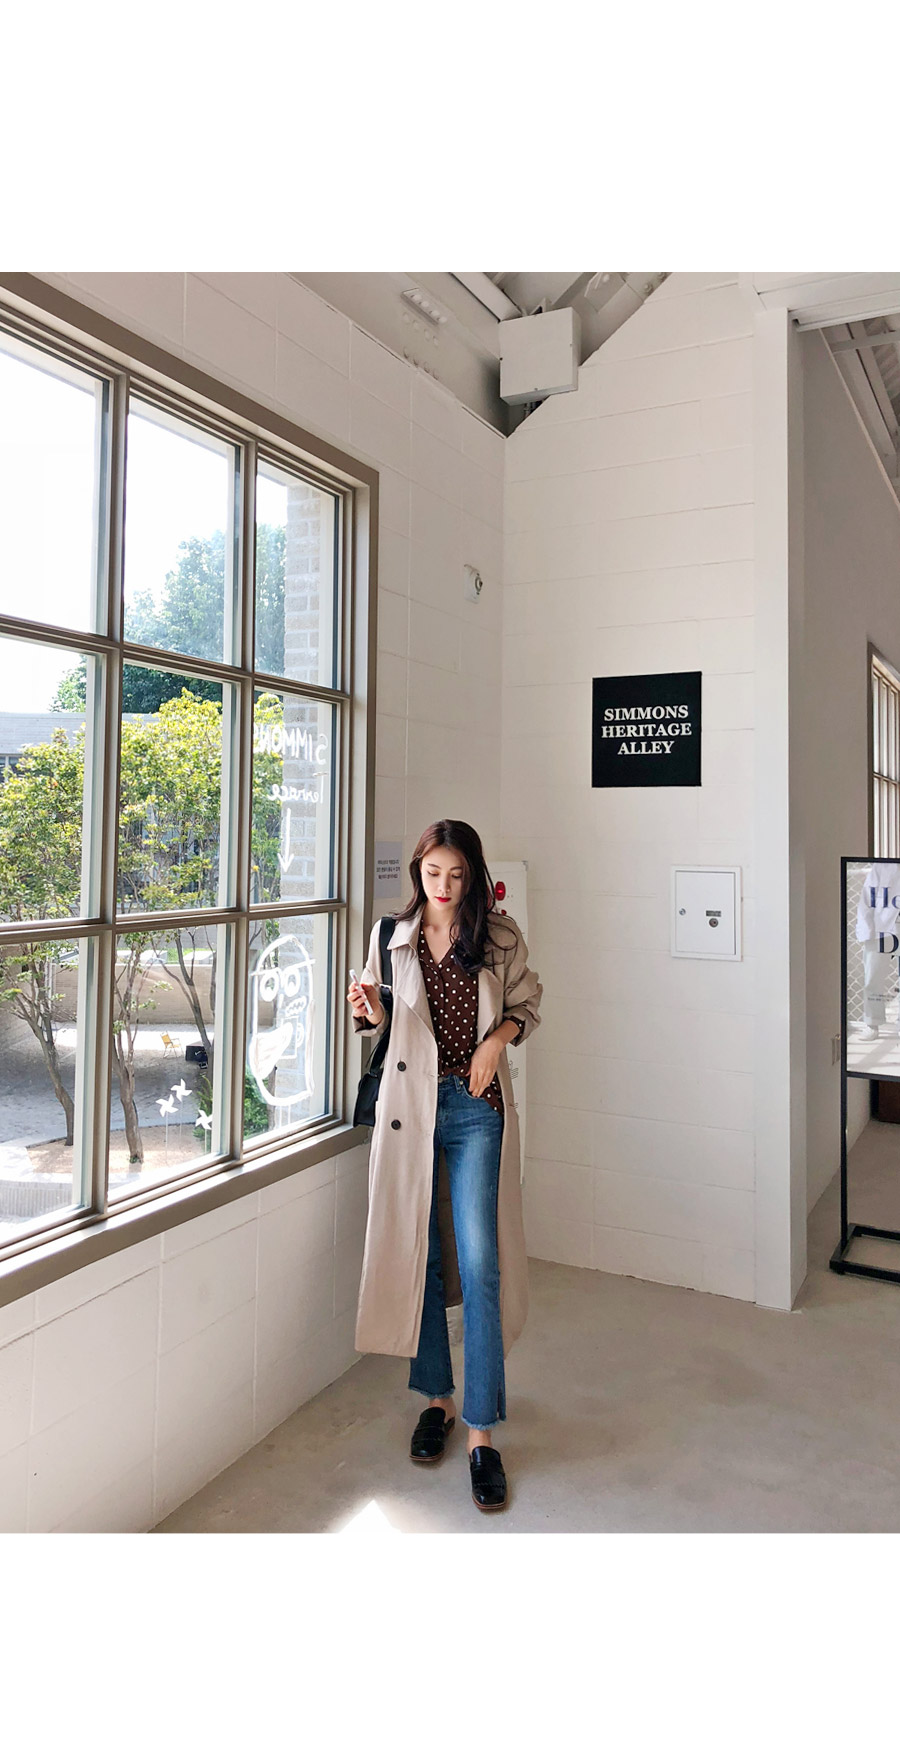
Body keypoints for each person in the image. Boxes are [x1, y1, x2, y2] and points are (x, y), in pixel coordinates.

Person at [347, 820, 542, 1514]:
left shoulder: (499, 937)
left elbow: (528, 1003)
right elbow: (376, 1022)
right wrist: (370, 1010)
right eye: (433, 873)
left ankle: (482, 1433)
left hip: (475, 1108)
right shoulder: (389, 937)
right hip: (411, 1109)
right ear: (419, 872)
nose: (445, 886)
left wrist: (496, 1040)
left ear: (472, 875)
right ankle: (438, 1399)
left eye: (457, 875)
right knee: (419, 1253)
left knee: (482, 1262)